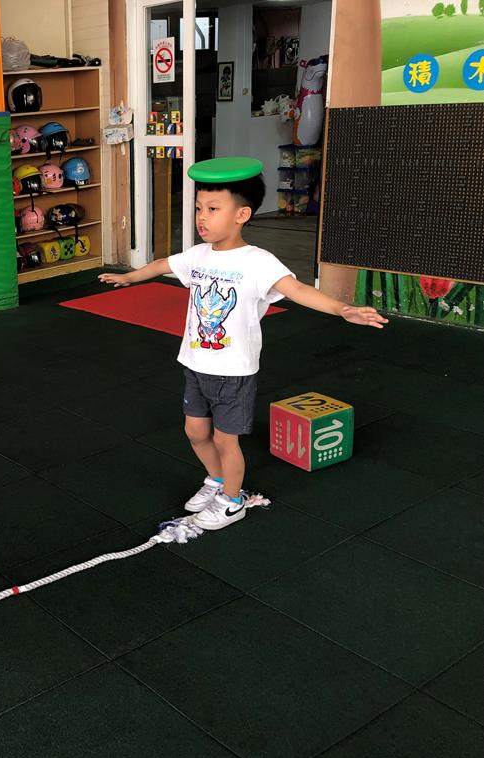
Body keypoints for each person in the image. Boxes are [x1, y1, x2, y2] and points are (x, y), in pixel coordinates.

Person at [98, 157, 386, 530]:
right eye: (199, 208)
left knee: (225, 441)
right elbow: (161, 265)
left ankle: (233, 501)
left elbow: (297, 289)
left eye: (213, 209)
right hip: (195, 364)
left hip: (233, 372)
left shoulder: (258, 262)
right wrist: (129, 278)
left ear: (242, 215)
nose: (202, 217)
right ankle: (217, 480)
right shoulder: (198, 255)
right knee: (195, 432)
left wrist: (342, 309)